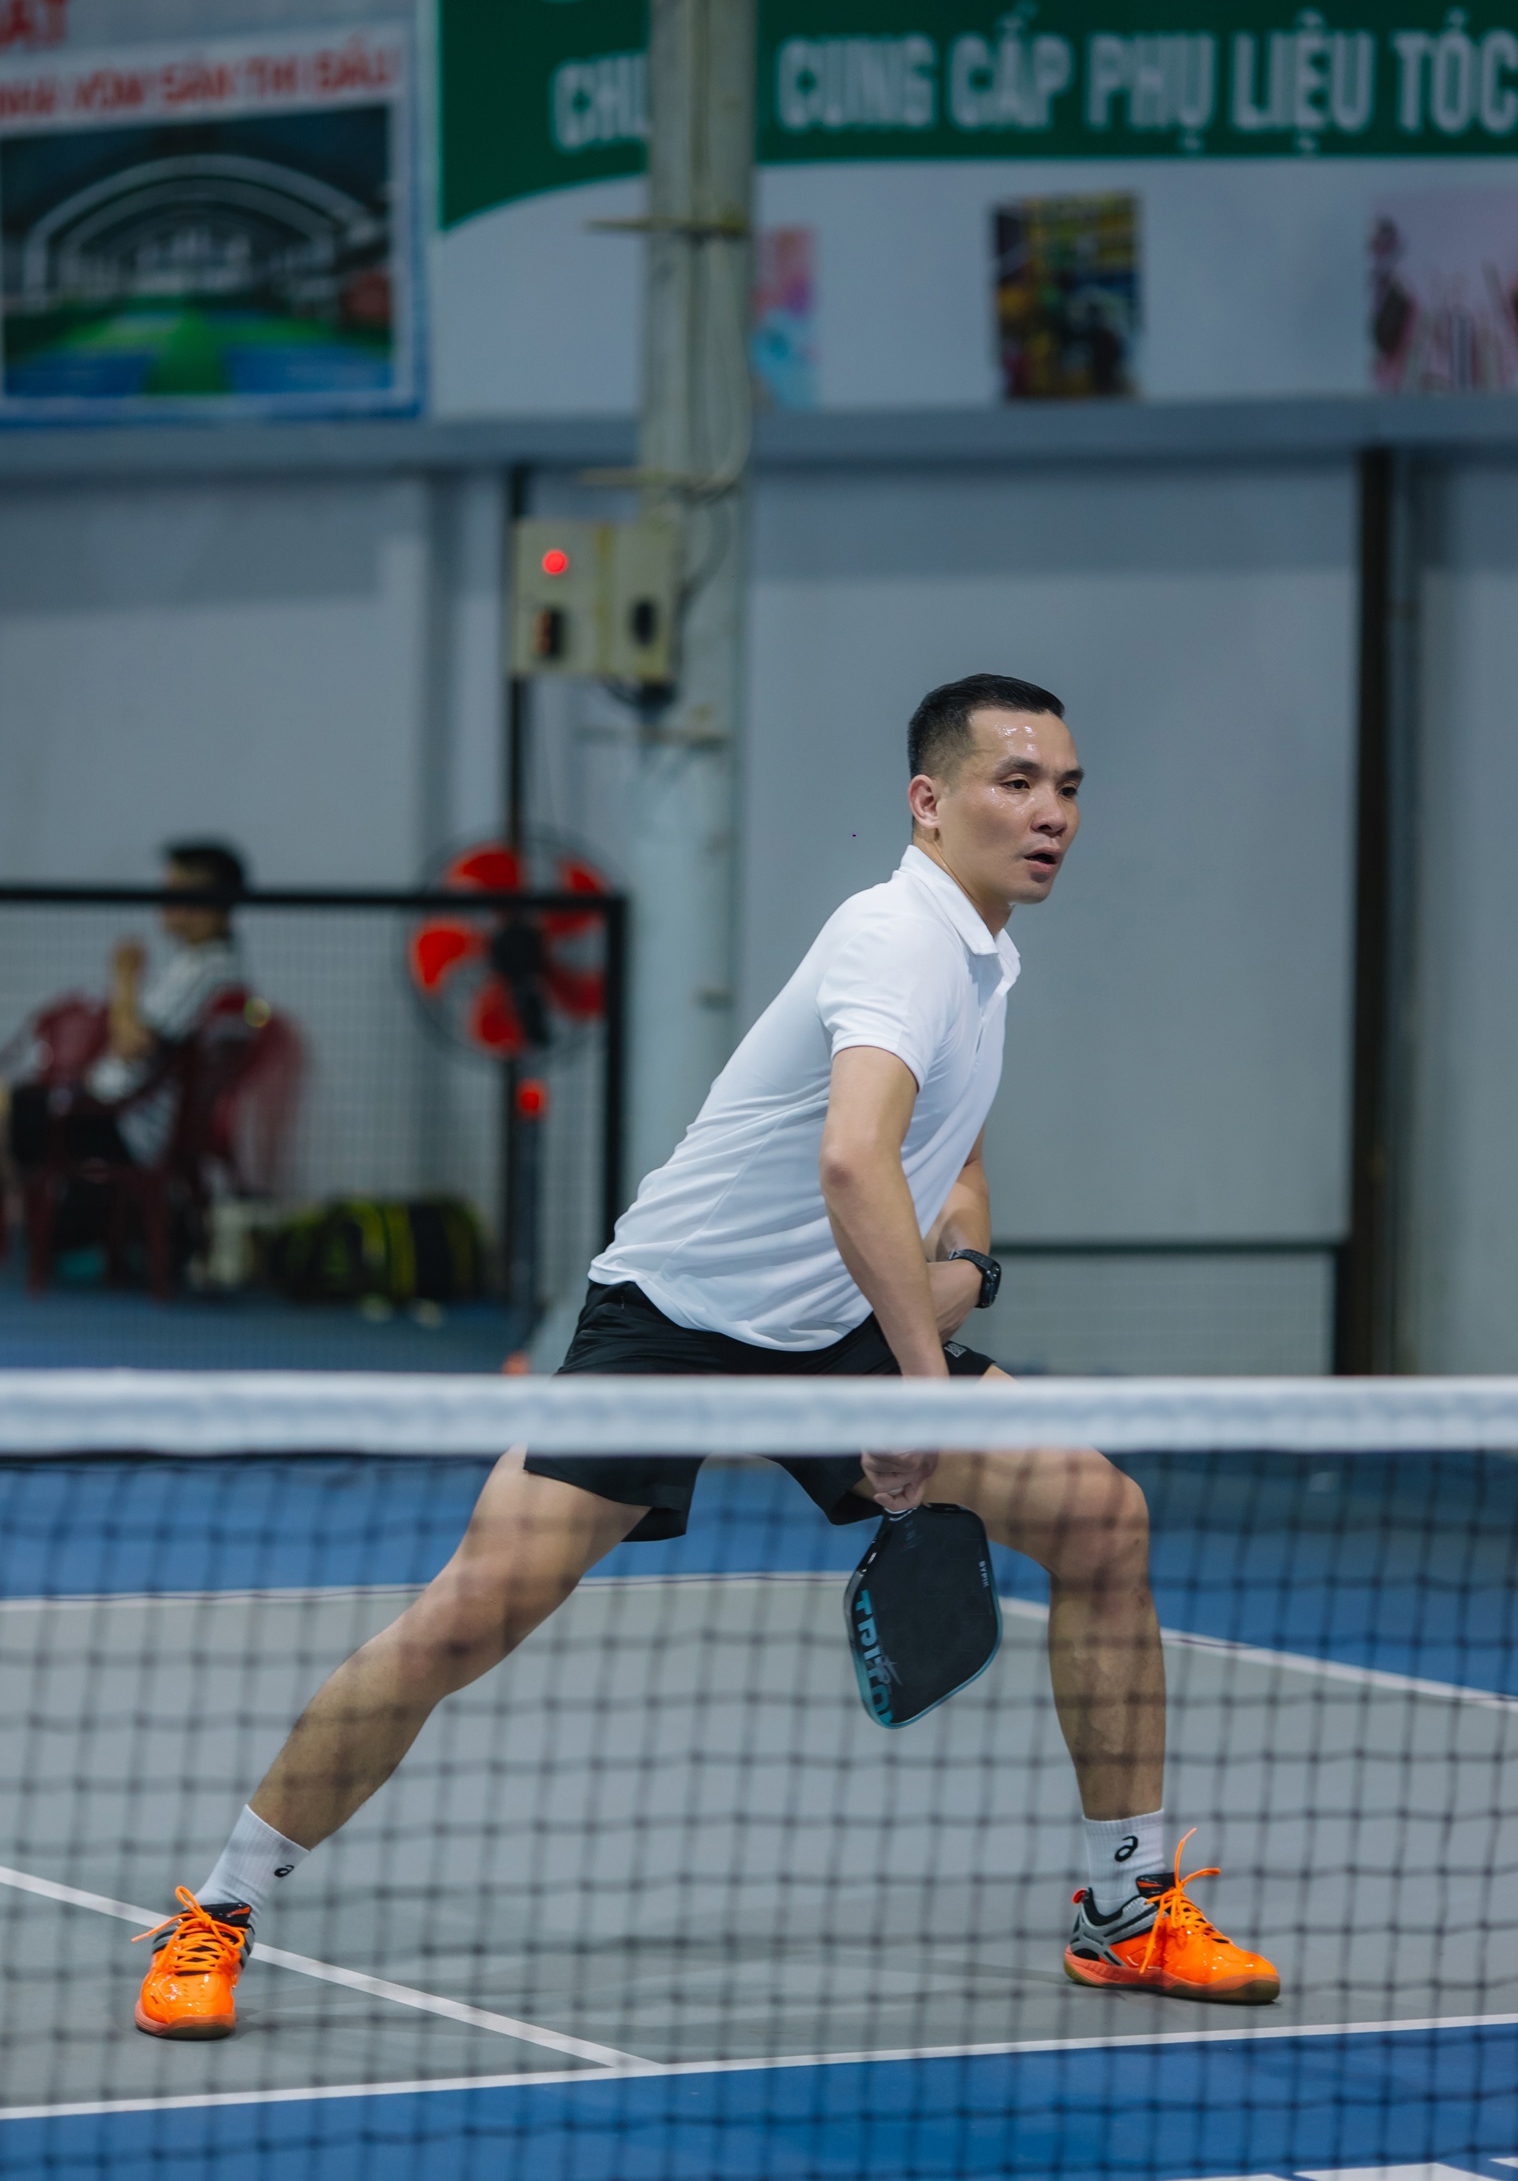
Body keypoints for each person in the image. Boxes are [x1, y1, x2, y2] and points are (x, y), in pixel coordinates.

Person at [133, 678, 1279, 2041]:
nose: (1050, 815)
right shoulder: (896, 937)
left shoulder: (983, 958)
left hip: (837, 1323)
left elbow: (946, 1161)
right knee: (467, 1616)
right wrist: (921, 1393)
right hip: (673, 1323)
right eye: (1015, 783)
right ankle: (217, 1910)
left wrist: (966, 1269)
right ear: (928, 802)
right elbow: (851, 1159)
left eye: (1068, 789)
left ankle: (1125, 1911)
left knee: (1101, 1518)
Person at [3, 840, 248, 1182]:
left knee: (6, 1106)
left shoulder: (208, 972)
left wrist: (125, 978)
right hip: (111, 1112)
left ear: (208, 901)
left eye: (174, 891)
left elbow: (132, 1045)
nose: (163, 902)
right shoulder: (204, 966)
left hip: (126, 1126)